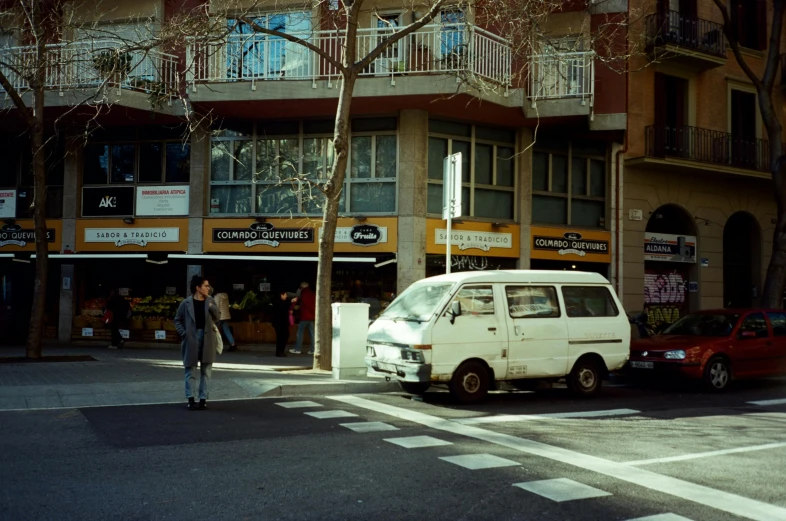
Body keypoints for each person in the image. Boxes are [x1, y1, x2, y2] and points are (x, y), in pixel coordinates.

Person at [174, 275, 220, 411]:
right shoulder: (186, 303)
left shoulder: (210, 301)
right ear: (198, 288)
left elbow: (217, 318)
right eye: (206, 286)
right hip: (192, 338)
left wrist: (212, 307)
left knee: (206, 371)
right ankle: (190, 399)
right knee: (190, 370)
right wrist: (184, 333)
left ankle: (203, 399)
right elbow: (177, 320)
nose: (208, 288)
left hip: (208, 339)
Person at [290, 281, 315, 355]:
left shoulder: (304, 292)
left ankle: (297, 349)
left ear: (302, 287)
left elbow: (303, 302)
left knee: (300, 332)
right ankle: (313, 350)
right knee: (312, 334)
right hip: (312, 316)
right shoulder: (312, 292)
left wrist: (297, 307)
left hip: (305, 316)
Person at [272, 288, 291, 357]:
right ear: (281, 295)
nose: (286, 296)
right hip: (279, 323)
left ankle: (281, 351)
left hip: (283, 323)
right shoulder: (278, 302)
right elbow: (283, 308)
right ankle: (279, 351)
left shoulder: (284, 302)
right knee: (281, 337)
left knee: (284, 336)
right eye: (285, 294)